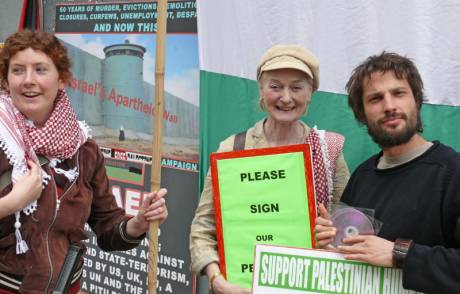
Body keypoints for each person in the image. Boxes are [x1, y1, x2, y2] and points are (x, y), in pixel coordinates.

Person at [0, 30, 168, 293]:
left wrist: (137, 224)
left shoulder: (84, 149)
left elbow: (107, 224)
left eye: (41, 69)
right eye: (18, 70)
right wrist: (11, 203)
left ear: (62, 79)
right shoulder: (2, 138)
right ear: (7, 81)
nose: (29, 80)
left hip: (67, 287)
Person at [190, 44, 350, 294]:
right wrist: (217, 279)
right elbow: (203, 226)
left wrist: (332, 234)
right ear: (261, 91)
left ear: (311, 93)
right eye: (275, 86)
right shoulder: (233, 148)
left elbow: (349, 228)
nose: (286, 98)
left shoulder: (327, 150)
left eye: (297, 87)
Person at [314, 52, 460, 293]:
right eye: (375, 99)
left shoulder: (452, 172)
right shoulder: (362, 176)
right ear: (362, 114)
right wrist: (331, 244)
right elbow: (351, 256)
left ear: (417, 100)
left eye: (399, 93)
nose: (390, 106)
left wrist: (400, 254)